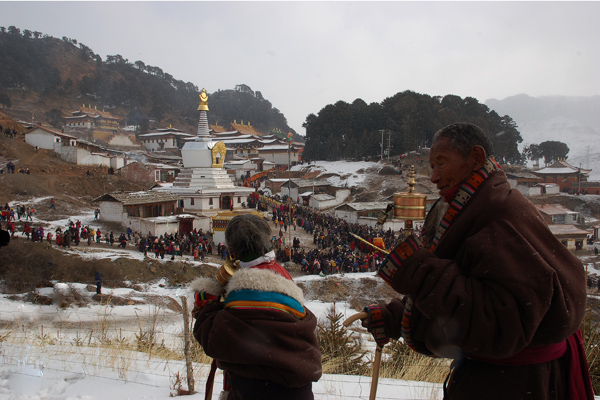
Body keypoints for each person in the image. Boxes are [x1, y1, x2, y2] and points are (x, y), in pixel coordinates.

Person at [361, 123, 593, 400]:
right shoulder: (478, 205)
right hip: (501, 377)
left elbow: (502, 322)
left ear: (476, 158)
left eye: (442, 163)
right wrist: (396, 317)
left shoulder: (498, 213)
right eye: (431, 166)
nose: (433, 177)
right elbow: (470, 286)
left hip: (514, 384)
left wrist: (420, 272)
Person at [191, 214, 322, 400]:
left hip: (252, 392)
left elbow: (215, 340)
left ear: (231, 250)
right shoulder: (283, 276)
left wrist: (206, 307)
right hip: (298, 391)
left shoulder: (242, 292)